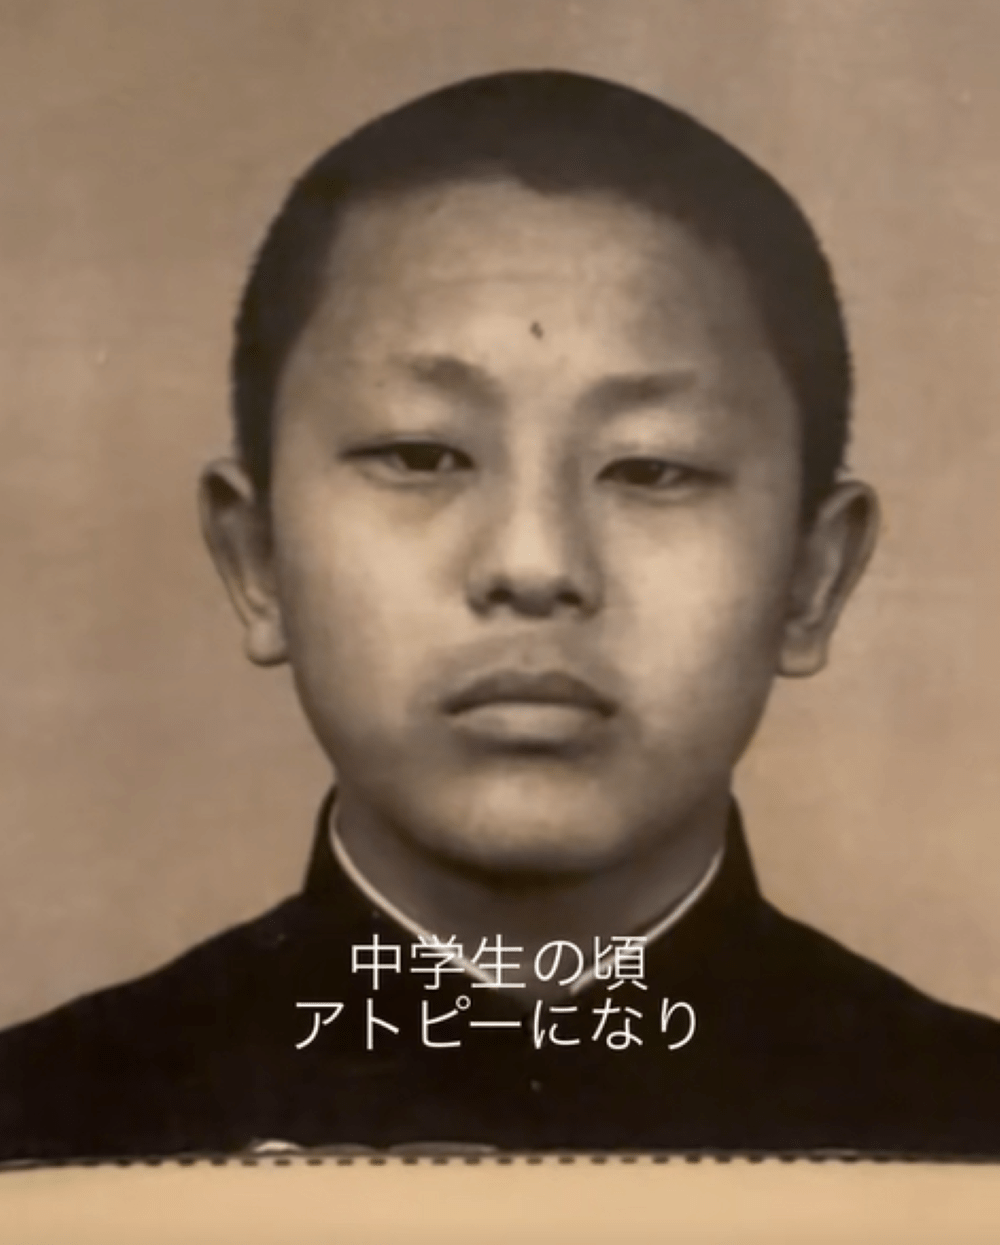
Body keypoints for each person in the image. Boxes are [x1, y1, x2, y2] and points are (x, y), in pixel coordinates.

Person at [0, 69, 997, 1162]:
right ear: (258, 557)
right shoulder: (46, 1138)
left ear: (813, 574)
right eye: (421, 455)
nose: (533, 563)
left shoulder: (963, 1141)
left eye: (652, 467)